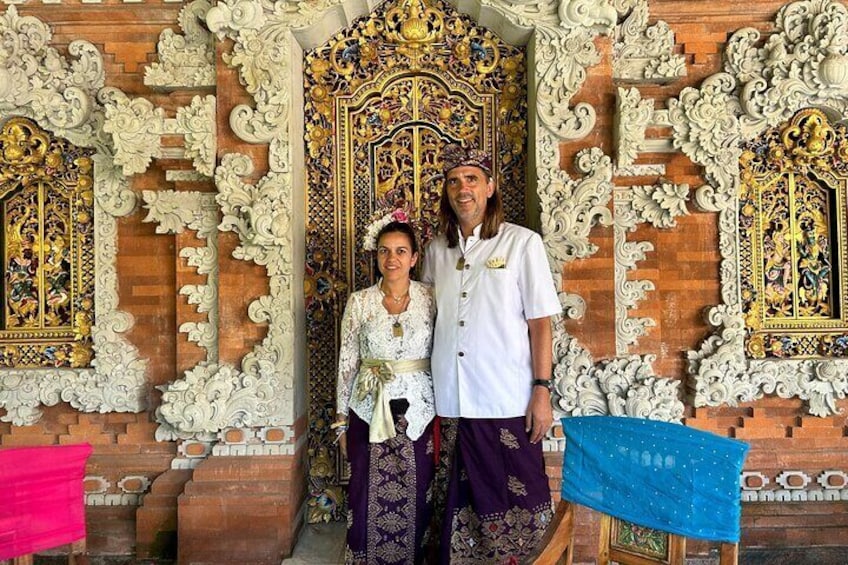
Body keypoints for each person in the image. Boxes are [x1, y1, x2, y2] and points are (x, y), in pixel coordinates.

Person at [421, 143, 561, 563]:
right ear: (446, 192)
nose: (462, 189)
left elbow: (540, 322)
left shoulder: (521, 243)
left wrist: (542, 390)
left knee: (516, 492)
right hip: (449, 400)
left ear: (489, 187)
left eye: (471, 179)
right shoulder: (435, 250)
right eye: (453, 181)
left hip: (505, 398)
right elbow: (426, 317)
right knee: (453, 505)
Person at [335, 217, 437, 565]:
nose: (391, 259)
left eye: (400, 251)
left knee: (418, 490)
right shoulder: (360, 302)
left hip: (421, 411)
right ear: (376, 257)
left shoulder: (430, 298)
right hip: (367, 408)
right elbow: (347, 361)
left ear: (414, 257)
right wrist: (341, 422)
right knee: (364, 493)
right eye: (384, 251)